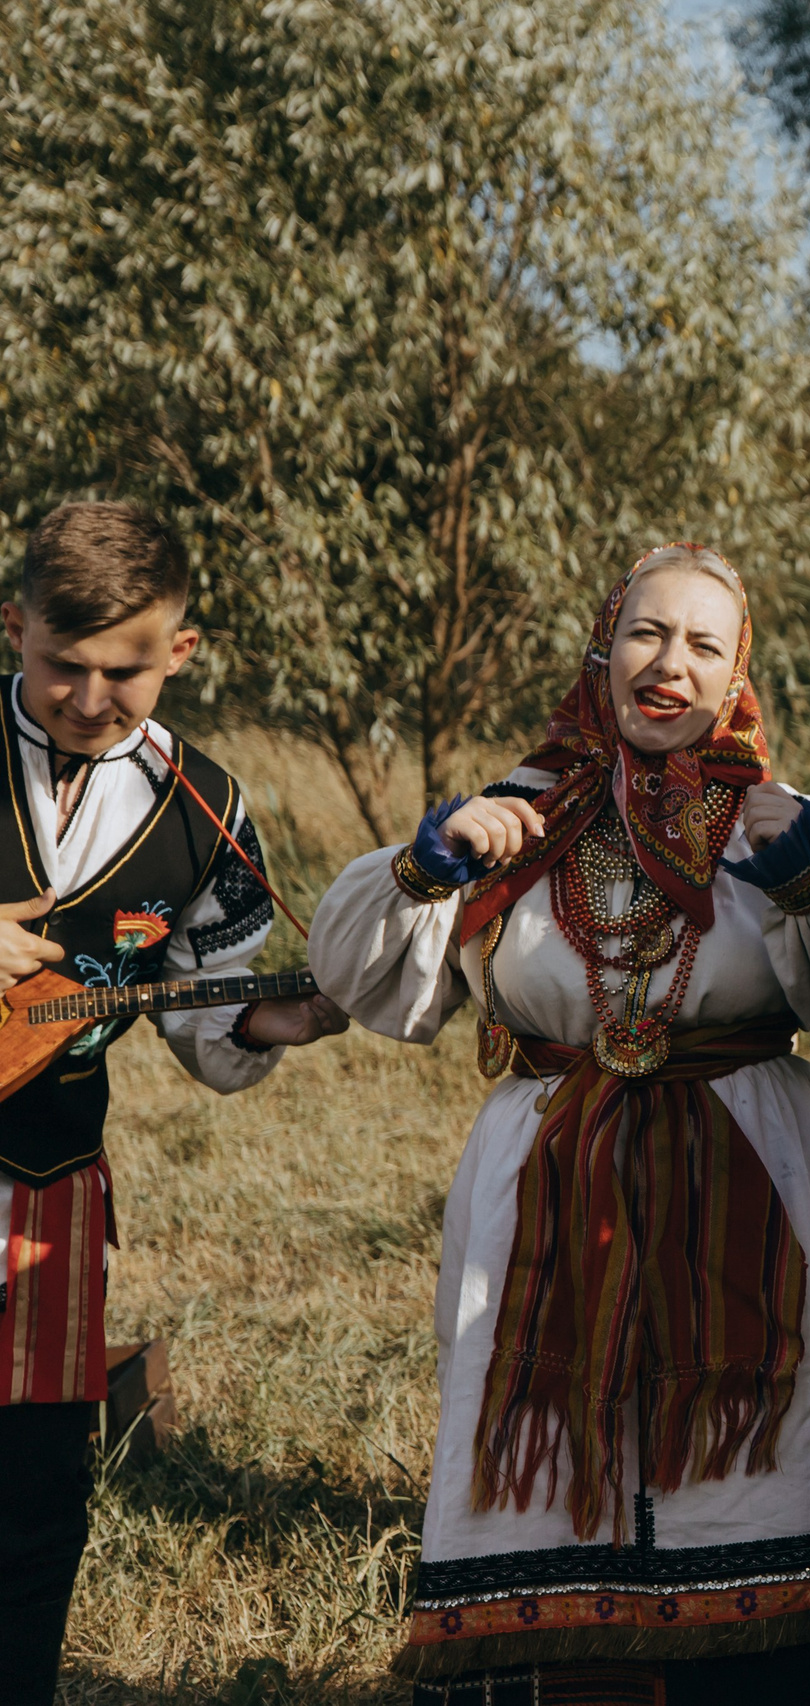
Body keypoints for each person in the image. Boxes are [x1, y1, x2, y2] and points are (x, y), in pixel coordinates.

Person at [310, 545, 810, 1705]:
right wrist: (428, 864)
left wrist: (801, 883)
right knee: (551, 1467)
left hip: (760, 1171)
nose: (669, 662)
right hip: (547, 1178)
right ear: (605, 645)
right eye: (648, 633)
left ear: (738, 672)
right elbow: (369, 981)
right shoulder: (517, 814)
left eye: (703, 643)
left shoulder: (787, 821)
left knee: (773, 1460)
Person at [0, 501, 348, 1706]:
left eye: (126, 670)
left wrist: (274, 1017)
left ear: (181, 652)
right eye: (62, 666)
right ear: (14, 628)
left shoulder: (201, 806)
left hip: (48, 1194)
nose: (91, 699)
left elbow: (206, 1005)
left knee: (36, 1503)